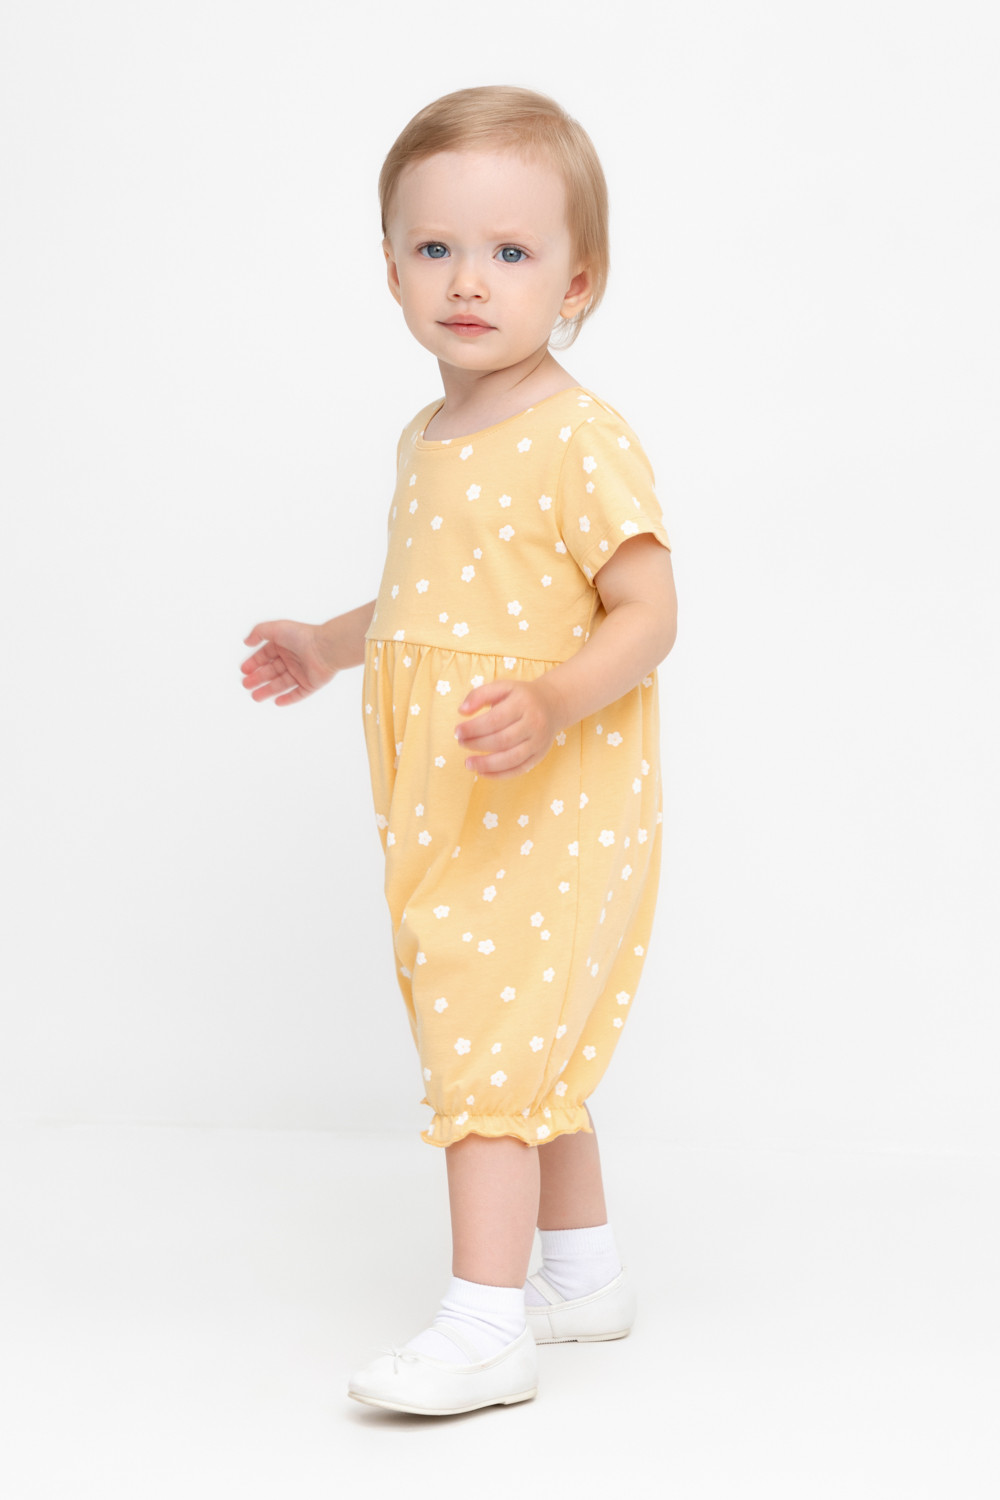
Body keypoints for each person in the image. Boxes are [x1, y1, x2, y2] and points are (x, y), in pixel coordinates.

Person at [239, 85, 678, 1416]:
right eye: (435, 249)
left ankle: (486, 1323)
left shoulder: (577, 436)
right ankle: (582, 1275)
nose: (468, 280)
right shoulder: (428, 438)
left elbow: (650, 610)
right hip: (447, 801)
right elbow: (429, 600)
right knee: (520, 1032)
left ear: (576, 281)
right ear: (391, 271)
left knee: (487, 1037)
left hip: (546, 797)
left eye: (510, 252)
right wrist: (330, 644)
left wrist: (553, 702)